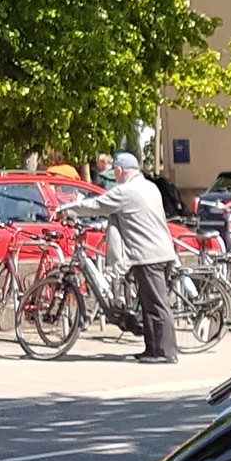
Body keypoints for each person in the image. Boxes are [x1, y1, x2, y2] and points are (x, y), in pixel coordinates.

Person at [76, 153, 178, 363]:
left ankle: (166, 353)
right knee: (149, 303)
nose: (115, 176)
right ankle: (152, 349)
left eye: (115, 171)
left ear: (121, 171)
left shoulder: (127, 191)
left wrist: (67, 210)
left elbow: (96, 205)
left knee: (157, 304)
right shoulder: (150, 187)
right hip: (161, 251)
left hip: (148, 255)